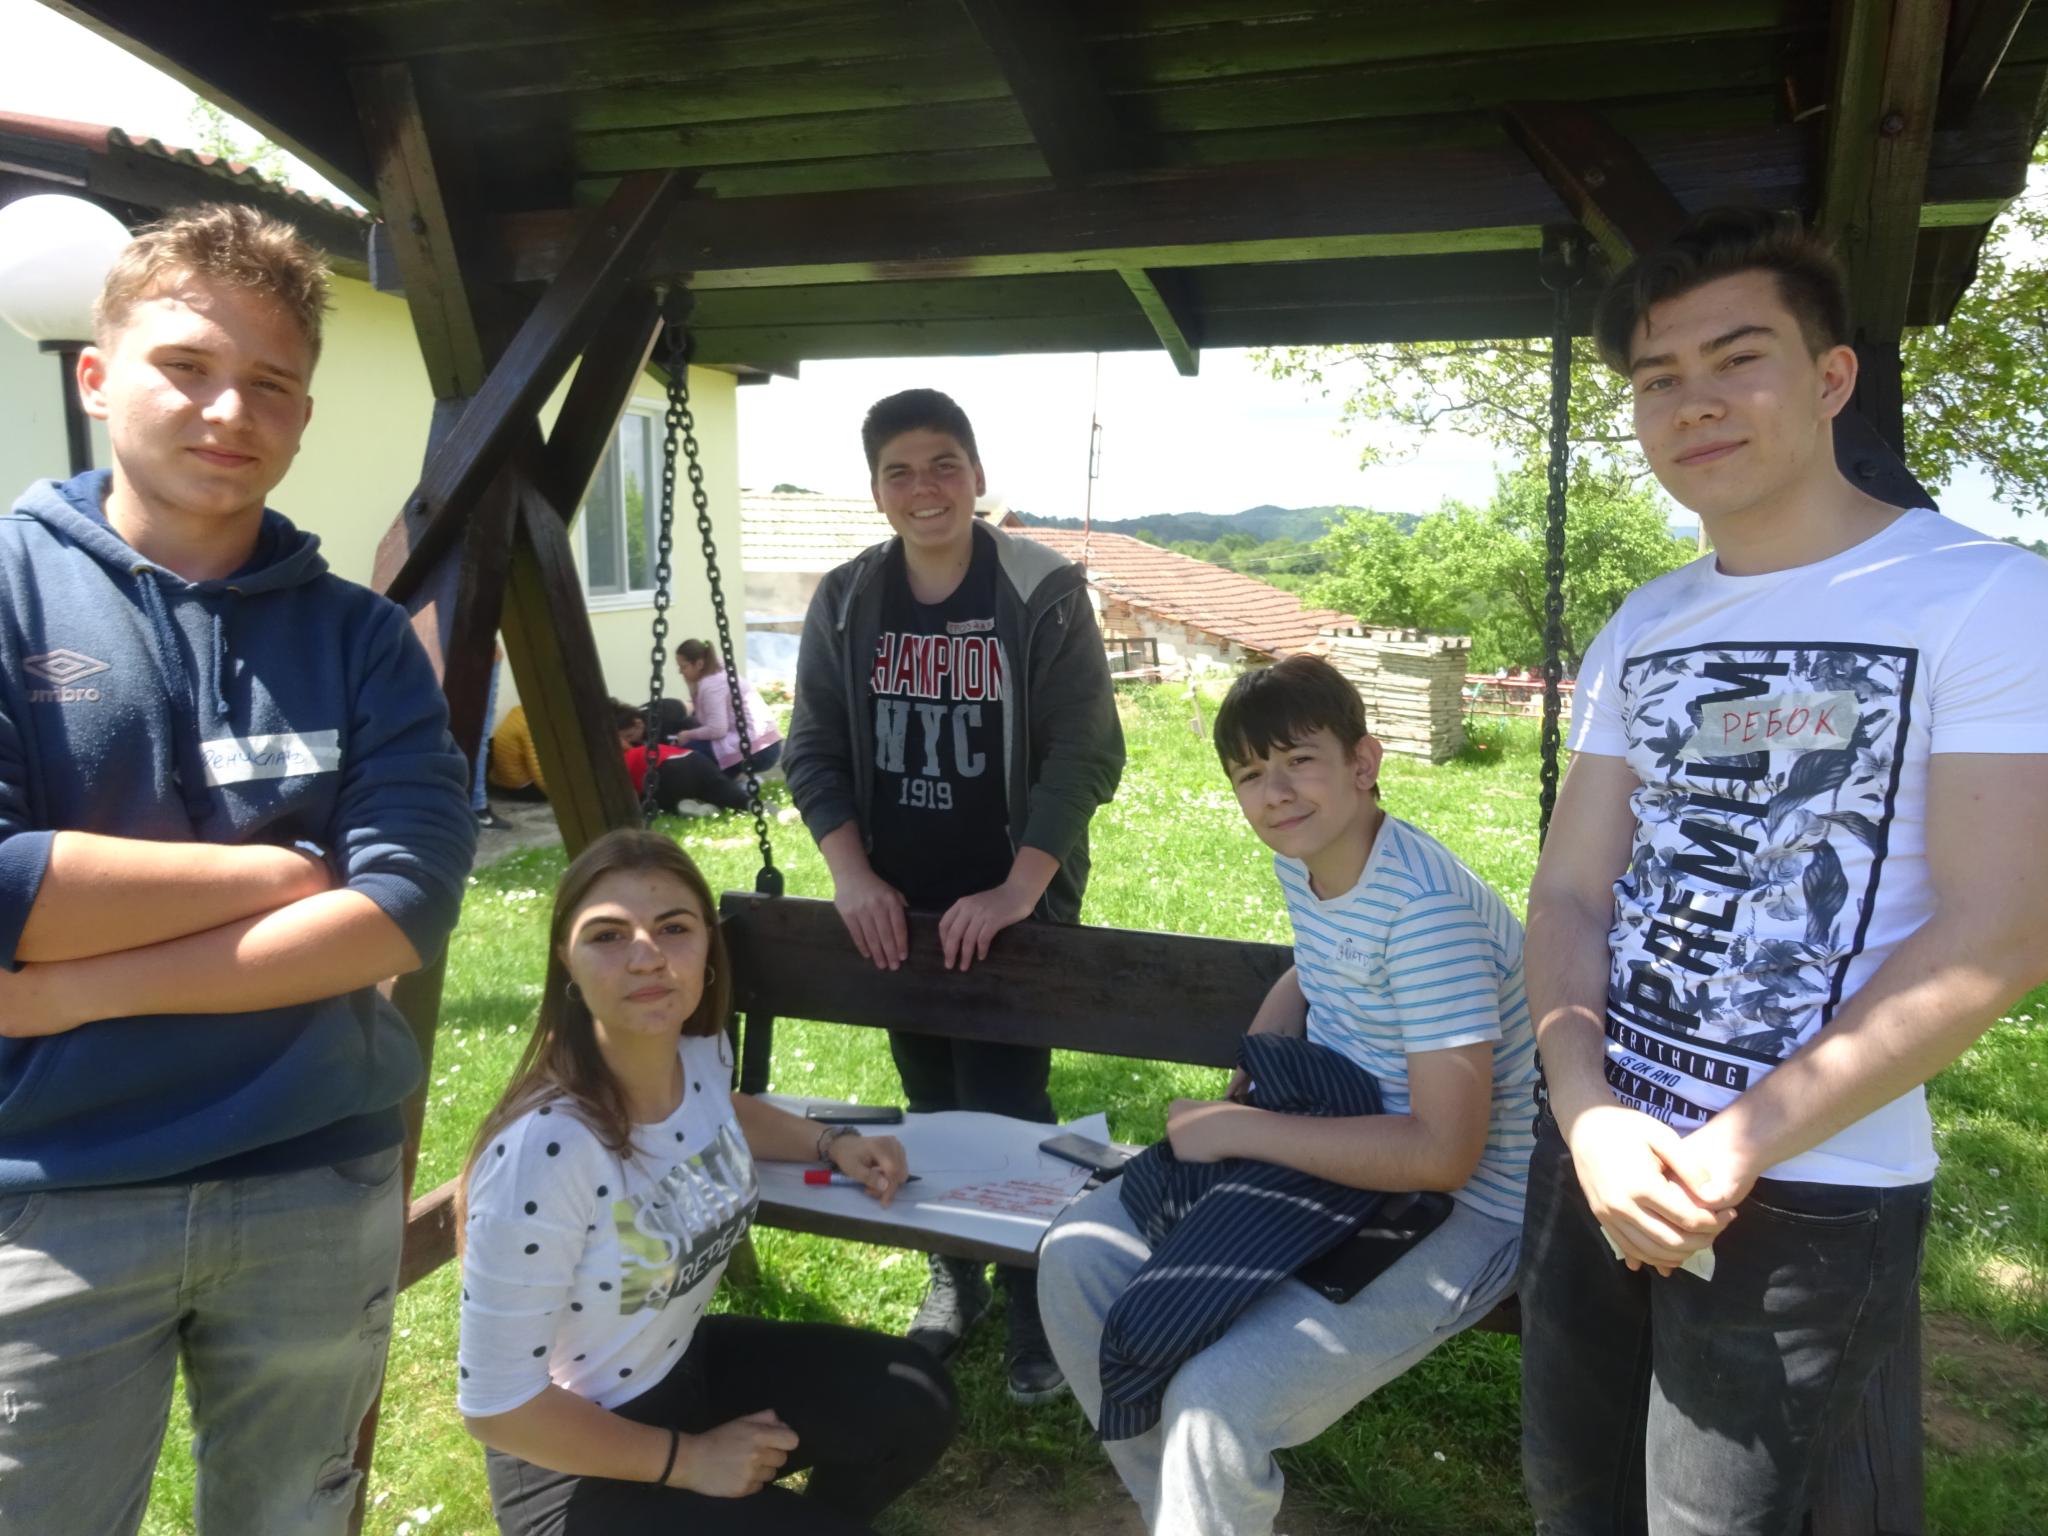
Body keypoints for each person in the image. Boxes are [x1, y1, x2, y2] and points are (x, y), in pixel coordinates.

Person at [1519, 207, 2048, 1536]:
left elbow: (2001, 931)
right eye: (1658, 378)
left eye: (1735, 357)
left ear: (1829, 376)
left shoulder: (1986, 599)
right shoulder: (1643, 622)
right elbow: (1570, 890)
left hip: (1806, 1192)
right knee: (1573, 1504)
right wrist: (1585, 1113)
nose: (1692, 402)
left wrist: (1732, 1148)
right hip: (1599, 1152)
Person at [0, 204, 476, 1534]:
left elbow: (402, 909)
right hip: (50, 1193)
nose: (229, 410)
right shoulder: (13, 596)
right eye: (186, 366)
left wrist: (74, 987)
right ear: (97, 378)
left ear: (305, 417)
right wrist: (280, 876)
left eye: (271, 383)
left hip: (314, 1180)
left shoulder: (363, 640)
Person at [1037, 655, 1533, 1535]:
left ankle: (1197, 1510)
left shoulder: (1428, 917)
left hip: (1464, 1205)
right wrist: (1272, 1032)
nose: (1276, 794)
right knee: (1077, 1258)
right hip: (1337, 1138)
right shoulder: (1320, 857)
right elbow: (1326, 955)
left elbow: (1443, 1152)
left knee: (1216, 1402)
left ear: (1364, 762)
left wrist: (1239, 1128)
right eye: (1250, 774)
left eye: (1300, 760)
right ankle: (1180, 1514)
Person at [457, 829, 956, 1535]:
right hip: (573, 1463)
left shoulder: (699, 1053)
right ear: (565, 959)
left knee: (917, 1395)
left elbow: (721, 1109)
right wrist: (689, 1462)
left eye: (674, 928)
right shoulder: (546, 1151)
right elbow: (498, 1408)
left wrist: (832, 1143)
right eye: (607, 935)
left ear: (707, 951)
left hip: (684, 1366)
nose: (646, 956)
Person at [783, 387, 1124, 1402]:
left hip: (1012, 903)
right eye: (899, 471)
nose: (923, 488)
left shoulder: (1040, 590)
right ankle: (954, 1277)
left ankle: (1030, 1297)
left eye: (942, 465)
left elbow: (1084, 751)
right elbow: (812, 749)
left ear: (976, 476)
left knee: (1008, 1103)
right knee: (929, 1097)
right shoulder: (847, 599)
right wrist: (852, 875)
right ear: (876, 490)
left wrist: (1020, 888)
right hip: (897, 906)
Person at [614, 700, 752, 816]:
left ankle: (682, 805)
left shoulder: (622, 761)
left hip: (667, 770)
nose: (630, 741)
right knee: (719, 787)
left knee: (651, 798)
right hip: (694, 758)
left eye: (628, 737)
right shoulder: (645, 749)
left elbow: (631, 795)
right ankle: (746, 803)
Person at [672, 637, 783, 778]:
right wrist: (691, 686)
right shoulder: (718, 671)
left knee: (686, 754)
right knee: (698, 740)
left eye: (683, 667)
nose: (680, 672)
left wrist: (688, 735)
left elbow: (717, 729)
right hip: (767, 742)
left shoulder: (712, 685)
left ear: (699, 664)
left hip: (758, 749)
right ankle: (732, 782)